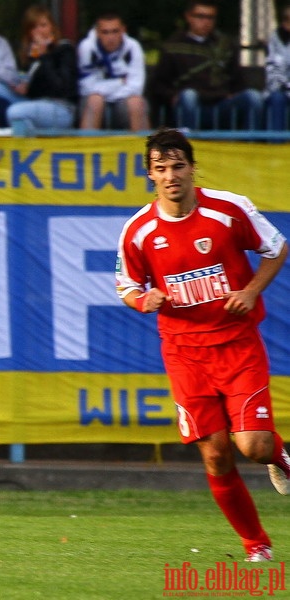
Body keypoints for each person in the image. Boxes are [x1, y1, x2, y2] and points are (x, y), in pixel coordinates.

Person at [115, 127, 290, 563]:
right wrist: (143, 300)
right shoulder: (138, 230)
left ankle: (278, 453)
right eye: (161, 168)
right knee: (215, 453)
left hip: (236, 344)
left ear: (192, 168)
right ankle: (257, 546)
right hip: (184, 354)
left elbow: (276, 247)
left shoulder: (229, 210)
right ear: (150, 176)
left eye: (178, 166)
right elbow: (126, 285)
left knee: (252, 446)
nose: (170, 175)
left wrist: (250, 291)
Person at [149, 0, 262, 130]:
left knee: (253, 97)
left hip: (222, 105)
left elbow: (238, 80)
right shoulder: (173, 46)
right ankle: (188, 143)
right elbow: (158, 84)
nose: (206, 22)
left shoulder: (225, 45)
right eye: (200, 16)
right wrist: (173, 96)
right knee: (188, 95)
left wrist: (234, 93)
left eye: (211, 17)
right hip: (190, 105)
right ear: (189, 17)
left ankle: (250, 145)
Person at [6, 4, 78, 135]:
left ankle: (31, 148)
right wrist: (24, 87)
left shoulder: (65, 49)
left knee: (14, 112)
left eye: (43, 25)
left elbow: (61, 88)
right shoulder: (31, 56)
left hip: (61, 107)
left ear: (52, 27)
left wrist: (45, 56)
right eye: (34, 27)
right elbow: (37, 92)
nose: (39, 31)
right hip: (37, 104)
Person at [77, 11, 149, 131]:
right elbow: (86, 88)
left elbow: (136, 87)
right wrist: (120, 82)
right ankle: (87, 147)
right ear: (97, 33)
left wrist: (105, 90)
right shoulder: (87, 47)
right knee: (95, 100)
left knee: (136, 102)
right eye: (105, 32)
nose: (111, 37)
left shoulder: (133, 47)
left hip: (123, 101)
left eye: (115, 31)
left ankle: (144, 148)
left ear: (123, 30)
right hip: (94, 101)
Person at [264, 4, 290, 131]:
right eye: (287, 19)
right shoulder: (275, 40)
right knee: (277, 98)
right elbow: (274, 75)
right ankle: (276, 146)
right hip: (283, 91)